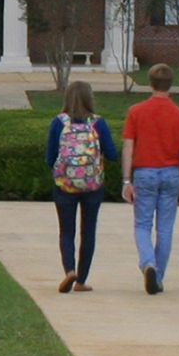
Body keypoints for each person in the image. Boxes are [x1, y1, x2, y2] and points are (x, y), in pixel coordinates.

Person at [121, 64, 179, 295]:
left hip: (144, 172)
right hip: (171, 172)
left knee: (142, 224)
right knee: (165, 228)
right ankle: (158, 276)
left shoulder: (136, 112)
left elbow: (129, 147)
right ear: (170, 84)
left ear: (150, 83)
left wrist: (126, 180)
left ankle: (148, 262)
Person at [46, 81, 118, 293]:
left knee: (66, 230)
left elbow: (50, 157)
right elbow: (113, 154)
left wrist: (62, 170)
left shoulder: (59, 123)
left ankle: (69, 270)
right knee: (89, 231)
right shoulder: (98, 124)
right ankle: (81, 280)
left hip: (64, 185)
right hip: (92, 184)